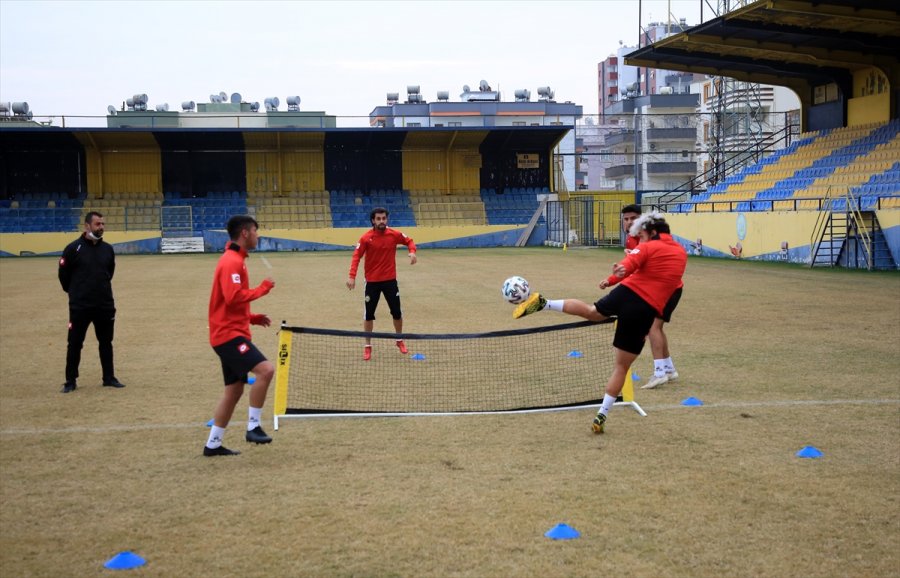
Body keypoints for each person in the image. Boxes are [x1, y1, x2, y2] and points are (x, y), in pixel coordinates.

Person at [513, 212, 686, 434]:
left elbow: (631, 262)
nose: (640, 240)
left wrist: (615, 276)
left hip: (625, 293)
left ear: (652, 233)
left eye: (642, 235)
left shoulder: (648, 246)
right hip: (644, 309)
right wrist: (620, 272)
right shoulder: (681, 252)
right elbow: (642, 266)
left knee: (592, 311)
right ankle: (601, 415)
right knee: (621, 367)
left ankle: (545, 304)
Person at [204, 215, 276, 457]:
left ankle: (213, 444)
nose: (258, 235)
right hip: (228, 336)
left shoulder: (236, 259)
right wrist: (263, 289)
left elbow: (230, 302)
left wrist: (251, 317)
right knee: (266, 370)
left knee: (234, 391)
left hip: (230, 332)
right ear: (245, 233)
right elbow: (233, 296)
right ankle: (253, 427)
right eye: (256, 230)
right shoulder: (231, 261)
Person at [58, 211, 125, 393]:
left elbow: (109, 273)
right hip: (80, 306)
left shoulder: (108, 249)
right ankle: (70, 381)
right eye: (97, 224)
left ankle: (109, 377)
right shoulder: (73, 249)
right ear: (87, 226)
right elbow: (64, 276)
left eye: (103, 224)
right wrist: (75, 293)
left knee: (106, 342)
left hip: (104, 305)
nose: (101, 227)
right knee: (75, 343)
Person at [621, 203, 682, 390]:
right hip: (663, 288)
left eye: (633, 218)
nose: (630, 222)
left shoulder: (648, 238)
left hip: (666, 289)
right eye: (626, 219)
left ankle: (659, 373)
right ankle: (669, 369)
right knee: (657, 328)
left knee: (652, 327)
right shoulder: (632, 240)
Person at [346, 207, 417, 360]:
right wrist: (352, 276)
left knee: (397, 313)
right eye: (378, 219)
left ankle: (399, 340)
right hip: (372, 283)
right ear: (373, 221)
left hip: (390, 281)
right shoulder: (366, 238)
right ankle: (367, 346)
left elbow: (409, 241)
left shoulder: (393, 234)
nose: (381, 221)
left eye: (384, 218)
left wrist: (412, 251)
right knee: (369, 315)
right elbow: (356, 256)